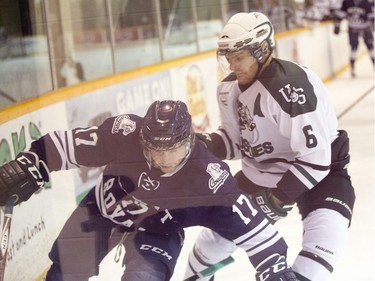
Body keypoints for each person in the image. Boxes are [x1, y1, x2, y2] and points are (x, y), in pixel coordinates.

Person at [0, 100, 298, 281]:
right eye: (154, 149)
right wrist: (31, 164)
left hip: (158, 232)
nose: (162, 159)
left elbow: (255, 229)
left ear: (190, 142)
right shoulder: (125, 132)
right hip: (102, 212)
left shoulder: (210, 178)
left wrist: (275, 266)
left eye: (172, 150)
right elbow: (63, 145)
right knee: (65, 273)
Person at [186, 12, 355, 281]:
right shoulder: (227, 90)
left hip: (321, 176)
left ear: (262, 49)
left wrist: (276, 198)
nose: (232, 65)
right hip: (260, 174)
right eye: (228, 58)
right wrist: (198, 144)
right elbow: (235, 142)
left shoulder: (290, 88)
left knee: (325, 245)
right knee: (211, 243)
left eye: (238, 57)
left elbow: (316, 158)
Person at [333, 0, 374, 77]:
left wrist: (373, 24)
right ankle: (352, 69)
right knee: (353, 48)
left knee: (370, 47)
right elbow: (341, 14)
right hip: (353, 29)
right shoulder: (347, 2)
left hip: (365, 28)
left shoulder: (366, 2)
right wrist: (337, 24)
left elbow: (371, 16)